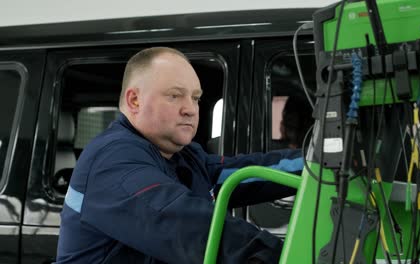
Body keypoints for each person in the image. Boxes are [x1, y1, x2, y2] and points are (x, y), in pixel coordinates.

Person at [56, 47, 304, 263]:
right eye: (174, 96)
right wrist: (288, 256)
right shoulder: (112, 160)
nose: (190, 109)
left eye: (195, 98)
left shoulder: (183, 156)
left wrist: (315, 164)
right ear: (134, 101)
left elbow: (241, 174)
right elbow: (186, 224)